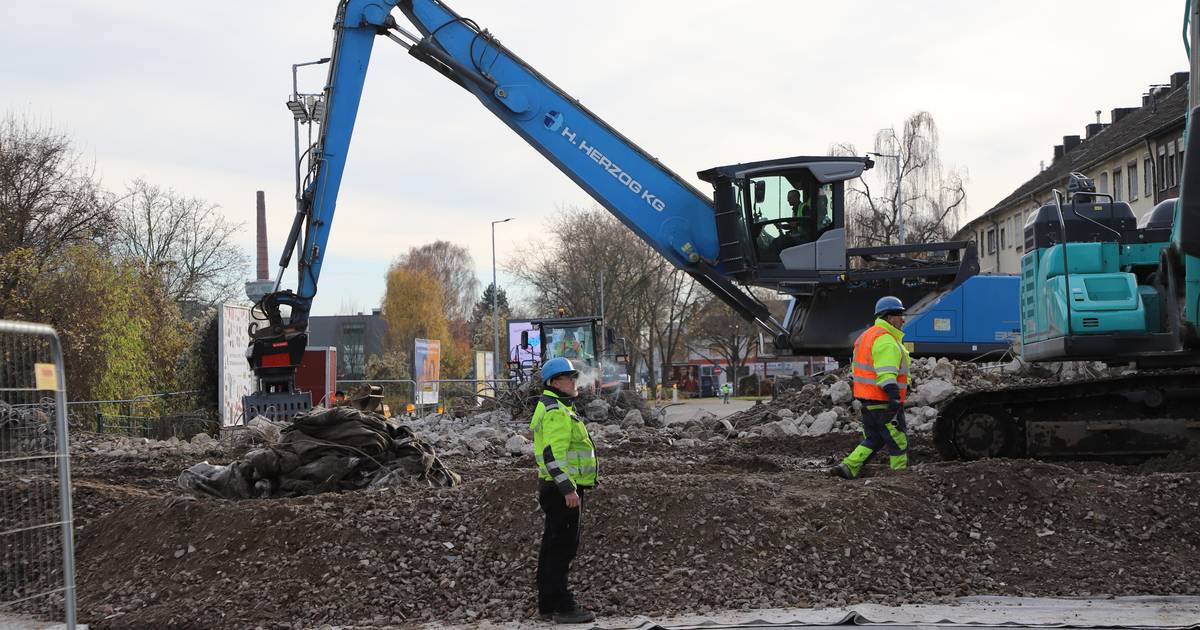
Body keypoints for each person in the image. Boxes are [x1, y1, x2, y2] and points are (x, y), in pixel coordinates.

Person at [530, 357, 597, 624]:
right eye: (569, 378)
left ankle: (548, 604)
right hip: (562, 490)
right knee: (561, 548)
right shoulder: (556, 411)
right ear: (555, 382)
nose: (574, 381)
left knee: (553, 546)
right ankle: (562, 607)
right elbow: (552, 456)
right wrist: (568, 489)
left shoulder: (555, 406)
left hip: (556, 488)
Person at [832, 296, 910, 479]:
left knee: (874, 439)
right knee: (898, 441)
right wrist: (894, 397)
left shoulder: (866, 337)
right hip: (884, 402)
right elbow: (886, 374)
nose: (903, 319)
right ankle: (900, 477)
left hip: (867, 401)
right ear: (889, 317)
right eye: (900, 315)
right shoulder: (887, 341)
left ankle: (848, 466)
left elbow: (860, 370)